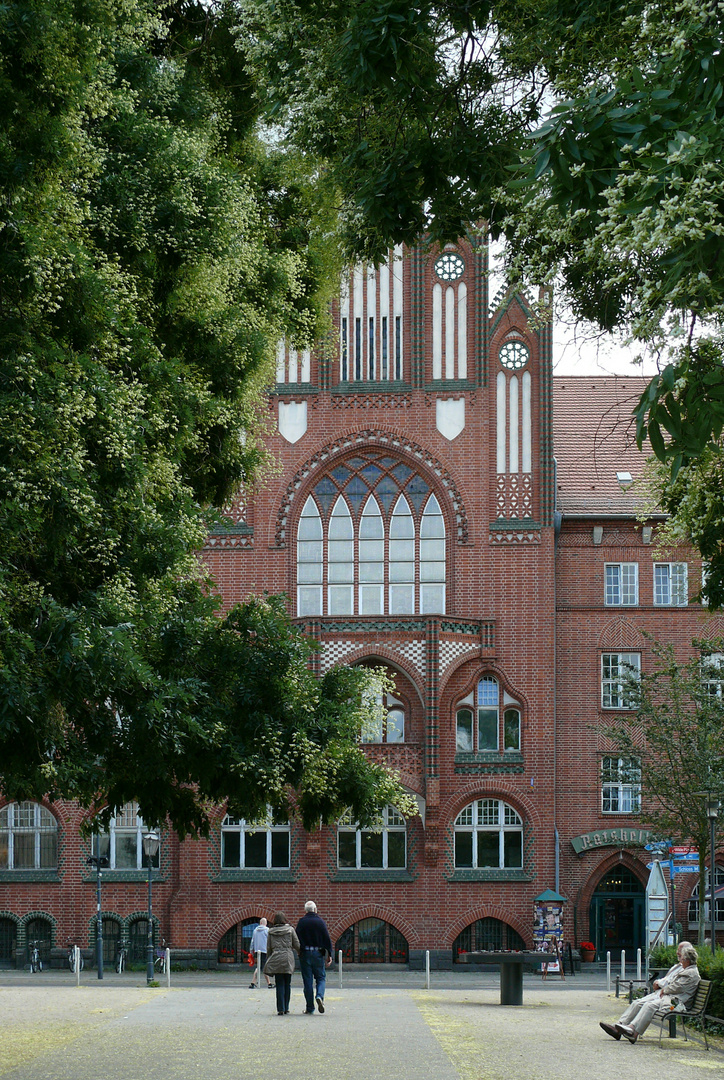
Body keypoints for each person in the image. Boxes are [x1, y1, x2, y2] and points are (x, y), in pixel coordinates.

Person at [599, 941, 701, 1043]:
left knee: (649, 1005)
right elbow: (674, 984)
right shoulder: (686, 969)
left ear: (687, 960)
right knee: (638, 1003)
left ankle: (633, 1030)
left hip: (677, 1002)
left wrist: (665, 990)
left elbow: (678, 987)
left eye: (682, 958)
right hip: (670, 997)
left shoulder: (690, 972)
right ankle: (621, 1027)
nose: (681, 960)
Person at [296, 900, 333, 1014]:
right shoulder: (320, 922)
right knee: (321, 978)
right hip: (318, 953)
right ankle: (320, 996)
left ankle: (310, 1007)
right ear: (315, 910)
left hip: (305, 953)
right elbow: (326, 938)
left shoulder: (301, 922)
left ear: (305, 911)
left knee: (307, 981)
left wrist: (299, 950)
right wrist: (329, 954)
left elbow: (296, 938)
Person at [264, 912, 300, 1016]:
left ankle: (280, 1008)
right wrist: (299, 952)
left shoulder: (271, 932)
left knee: (279, 983)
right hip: (287, 957)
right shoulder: (290, 930)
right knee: (287, 983)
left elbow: (269, 948)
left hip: (276, 957)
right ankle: (286, 1007)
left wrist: (268, 959)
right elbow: (296, 943)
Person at [248, 917, 274, 989]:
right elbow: (270, 941)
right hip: (265, 950)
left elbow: (252, 941)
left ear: (260, 923)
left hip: (257, 950)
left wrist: (251, 951)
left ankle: (268, 983)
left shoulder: (255, 930)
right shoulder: (267, 930)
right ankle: (253, 982)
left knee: (261, 966)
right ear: (265, 923)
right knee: (261, 967)